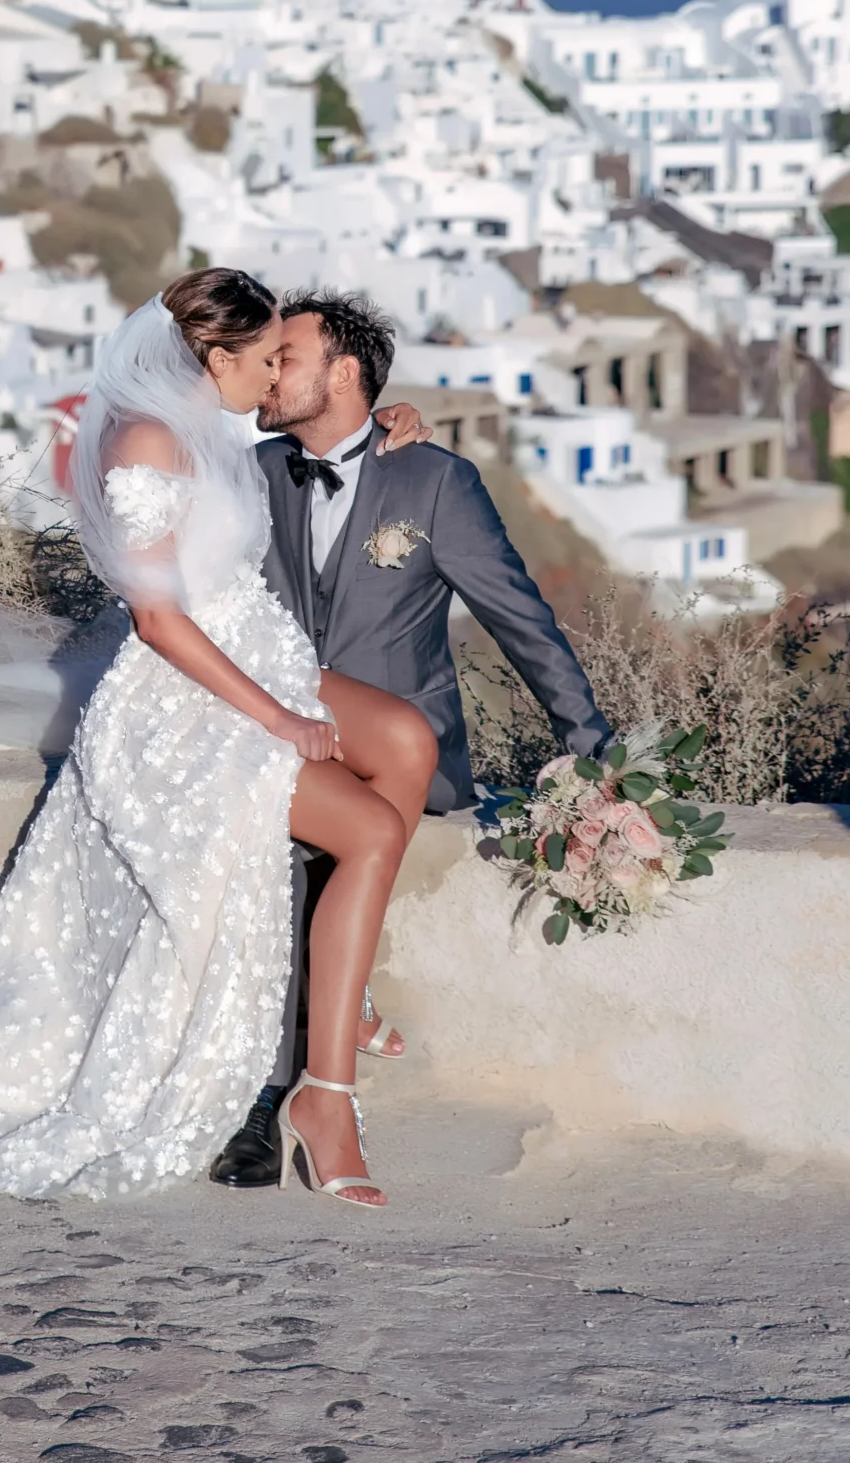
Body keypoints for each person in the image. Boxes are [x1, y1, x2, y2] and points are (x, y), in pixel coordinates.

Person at [0, 269, 437, 1204]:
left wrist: (388, 422)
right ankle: (325, 1094)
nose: (276, 375)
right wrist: (276, 720)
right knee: (374, 830)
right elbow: (155, 621)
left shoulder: (211, 425)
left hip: (256, 655)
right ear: (215, 358)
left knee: (406, 739)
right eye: (267, 358)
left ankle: (339, 994)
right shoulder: (148, 440)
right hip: (181, 701)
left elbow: (313, 442)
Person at [208, 285, 610, 1187]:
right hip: (286, 731)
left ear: (342, 373)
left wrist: (593, 750)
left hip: (400, 745)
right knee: (276, 851)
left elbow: (519, 619)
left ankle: (280, 1091)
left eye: (286, 358)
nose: (269, 375)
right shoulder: (254, 471)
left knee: (310, 849)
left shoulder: (433, 480)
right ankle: (282, 1091)